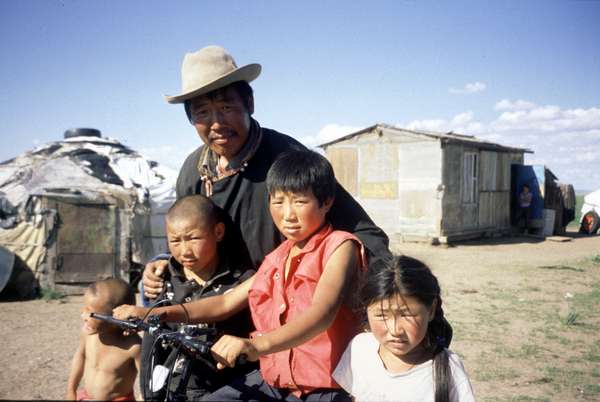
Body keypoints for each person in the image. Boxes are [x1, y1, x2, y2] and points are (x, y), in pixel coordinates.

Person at [142, 45, 391, 302]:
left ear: (249, 103)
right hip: (222, 300)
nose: (216, 123)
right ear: (191, 119)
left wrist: (386, 296)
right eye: (202, 112)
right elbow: (188, 232)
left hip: (285, 300)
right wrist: (164, 263)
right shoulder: (192, 172)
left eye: (226, 107)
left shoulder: (286, 158)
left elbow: (364, 234)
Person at [115, 150, 366, 401]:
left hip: (323, 388)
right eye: (278, 202)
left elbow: (322, 313)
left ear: (327, 202)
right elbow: (225, 302)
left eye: (299, 202)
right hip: (274, 382)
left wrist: (256, 346)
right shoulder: (276, 258)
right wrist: (156, 312)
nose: (288, 215)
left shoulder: (340, 247)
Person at [139, 194, 256, 400]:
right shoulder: (164, 281)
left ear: (218, 232)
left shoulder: (242, 283)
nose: (184, 250)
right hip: (172, 390)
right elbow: (151, 343)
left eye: (193, 238)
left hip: (227, 392)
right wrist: (149, 393)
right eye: (175, 240)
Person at [332, 256, 475, 402]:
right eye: (381, 315)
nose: (395, 330)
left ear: (431, 310)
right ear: (366, 309)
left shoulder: (448, 369)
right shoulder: (360, 348)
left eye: (407, 315)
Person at [66, 278, 141, 401]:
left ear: (116, 318)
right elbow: (80, 356)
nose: (83, 316)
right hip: (86, 397)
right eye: (84, 308)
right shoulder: (89, 335)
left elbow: (146, 383)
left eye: (91, 313)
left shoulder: (133, 347)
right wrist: (71, 390)